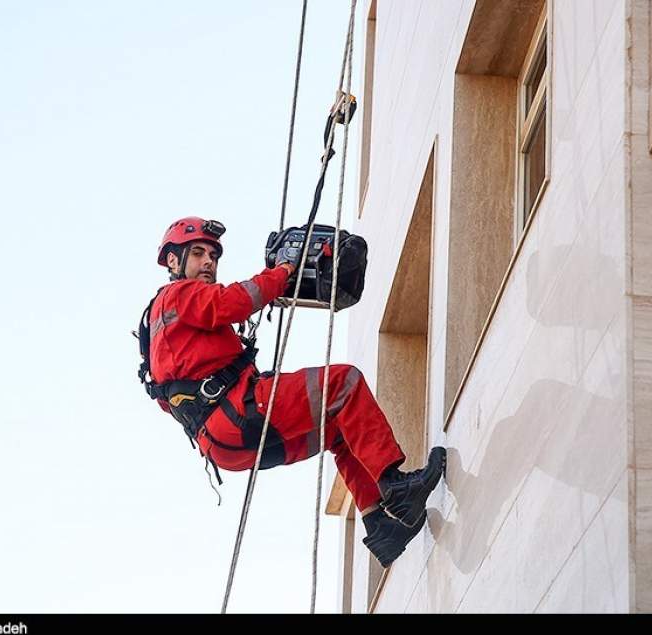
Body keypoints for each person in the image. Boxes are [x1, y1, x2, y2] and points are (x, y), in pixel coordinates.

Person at [139, 216, 446, 568]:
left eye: (212, 255)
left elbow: (168, 399)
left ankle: (380, 525)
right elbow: (235, 302)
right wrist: (284, 269)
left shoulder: (157, 328)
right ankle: (396, 486)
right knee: (343, 384)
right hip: (237, 415)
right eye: (197, 253)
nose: (208, 262)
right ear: (173, 262)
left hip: (222, 446)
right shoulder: (181, 294)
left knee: (339, 427)